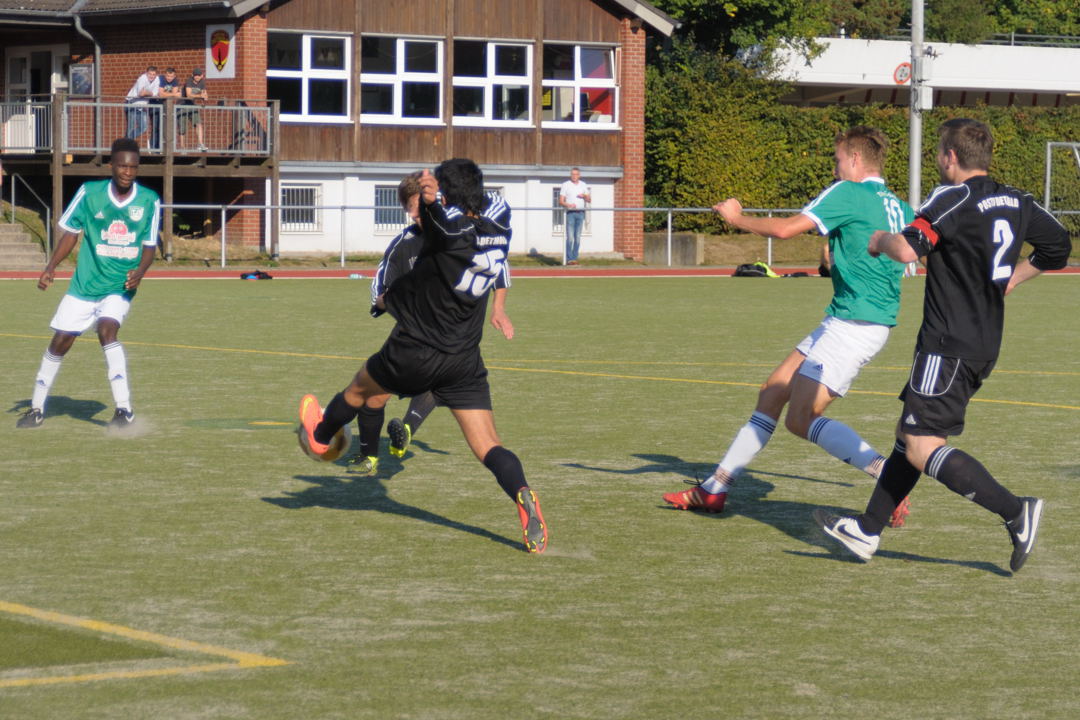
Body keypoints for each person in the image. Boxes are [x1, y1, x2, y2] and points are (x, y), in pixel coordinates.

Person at [814, 119, 1071, 572]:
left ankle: (1016, 511)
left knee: (919, 442)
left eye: (938, 152)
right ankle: (867, 530)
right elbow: (1059, 248)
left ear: (951, 156)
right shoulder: (1016, 199)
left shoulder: (950, 198)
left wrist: (878, 240)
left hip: (947, 342)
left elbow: (910, 249)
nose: (936, 159)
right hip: (983, 340)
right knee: (907, 432)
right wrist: (1013, 277)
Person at [662, 126, 915, 526]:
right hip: (852, 318)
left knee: (801, 419)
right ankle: (715, 488)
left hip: (854, 325)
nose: (834, 169)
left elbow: (785, 229)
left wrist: (737, 218)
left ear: (853, 160)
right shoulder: (900, 205)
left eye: (836, 161)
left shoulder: (847, 191)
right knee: (773, 390)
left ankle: (890, 477)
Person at [297, 158, 548, 554]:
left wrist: (431, 205)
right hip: (463, 359)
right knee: (489, 446)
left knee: (359, 391)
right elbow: (463, 215)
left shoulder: (446, 232)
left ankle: (320, 437)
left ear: (445, 197)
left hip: (415, 349)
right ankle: (522, 493)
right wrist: (438, 199)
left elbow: (444, 228)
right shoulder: (498, 218)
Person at [353, 172, 515, 475]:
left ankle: (406, 429)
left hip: (458, 334)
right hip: (415, 332)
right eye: (410, 209)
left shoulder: (461, 233)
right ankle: (369, 455)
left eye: (419, 206)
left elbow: (499, 264)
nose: (415, 215)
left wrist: (500, 308)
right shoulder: (404, 244)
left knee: (443, 381)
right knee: (376, 392)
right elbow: (379, 291)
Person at [16, 137, 160, 430]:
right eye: (122, 166)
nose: (127, 173)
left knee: (107, 331)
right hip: (84, 285)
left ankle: (124, 410)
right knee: (61, 341)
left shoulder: (149, 200)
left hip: (119, 285)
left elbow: (149, 245)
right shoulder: (89, 193)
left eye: (133, 167)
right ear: (112, 165)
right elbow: (70, 233)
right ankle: (36, 408)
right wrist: (51, 267)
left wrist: (141, 271)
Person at [559, 167, 590, 265]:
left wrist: (584, 196)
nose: (574, 176)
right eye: (572, 174)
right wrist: (568, 205)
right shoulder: (565, 185)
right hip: (570, 213)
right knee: (570, 237)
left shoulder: (583, 185)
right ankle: (569, 259)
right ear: (570, 175)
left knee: (577, 237)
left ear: (579, 175)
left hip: (580, 213)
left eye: (576, 174)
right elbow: (560, 201)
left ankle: (574, 258)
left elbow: (589, 199)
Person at [125, 66, 159, 151]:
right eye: (150, 74)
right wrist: (150, 93)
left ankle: (126, 140)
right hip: (132, 104)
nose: (152, 76)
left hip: (143, 106)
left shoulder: (157, 79)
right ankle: (127, 146)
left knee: (143, 127)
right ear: (146, 73)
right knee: (131, 127)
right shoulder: (142, 78)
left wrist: (147, 92)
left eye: (153, 74)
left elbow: (155, 94)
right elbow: (141, 93)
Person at [179, 67, 209, 151]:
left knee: (198, 123)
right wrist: (200, 96)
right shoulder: (189, 81)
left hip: (192, 104)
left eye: (199, 75)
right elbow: (188, 95)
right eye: (195, 75)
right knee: (182, 128)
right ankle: (182, 148)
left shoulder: (202, 83)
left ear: (202, 76)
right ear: (192, 75)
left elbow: (204, 94)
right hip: (182, 104)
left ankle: (200, 144)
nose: (197, 77)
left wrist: (204, 99)